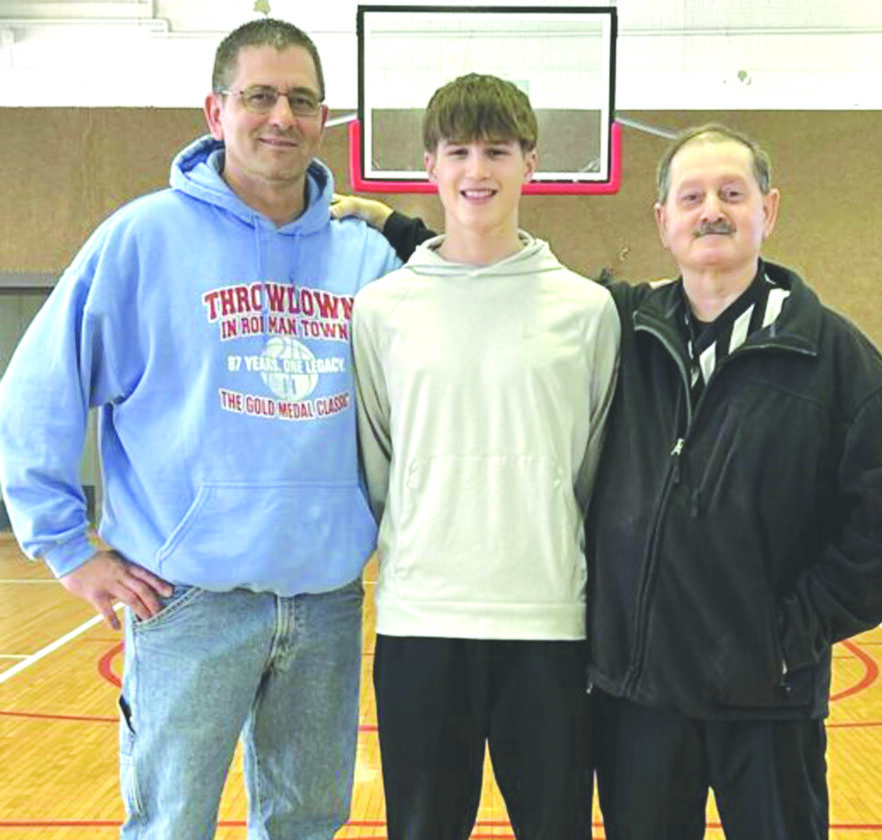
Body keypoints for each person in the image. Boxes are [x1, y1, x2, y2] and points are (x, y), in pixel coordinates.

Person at [0, 18, 400, 840]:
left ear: (324, 118)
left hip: (325, 601)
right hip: (186, 601)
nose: (281, 116)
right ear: (216, 112)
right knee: (171, 826)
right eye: (259, 96)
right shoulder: (141, 238)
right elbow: (36, 392)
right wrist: (67, 549)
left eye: (301, 100)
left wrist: (399, 225)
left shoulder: (366, 258)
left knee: (307, 825)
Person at [584, 124, 882, 839]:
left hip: (772, 699)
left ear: (768, 209)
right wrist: (401, 228)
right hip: (641, 700)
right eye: (692, 196)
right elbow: (512, 279)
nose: (712, 210)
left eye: (731, 194)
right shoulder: (620, 334)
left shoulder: (842, 362)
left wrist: (786, 639)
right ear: (663, 220)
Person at [349, 73, 620, 840]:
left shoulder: (586, 311)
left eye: (497, 151)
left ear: (530, 163)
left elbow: (590, 470)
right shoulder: (381, 309)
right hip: (421, 621)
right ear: (429, 166)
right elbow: (379, 464)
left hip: (549, 622)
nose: (478, 170)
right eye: (459, 151)